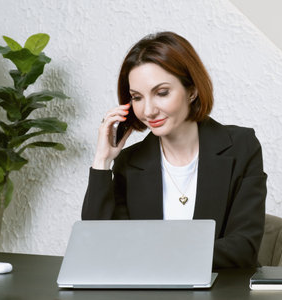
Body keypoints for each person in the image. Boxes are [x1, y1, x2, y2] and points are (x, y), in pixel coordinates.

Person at [82, 31, 267, 268]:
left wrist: (152, 254)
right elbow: (97, 245)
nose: (148, 111)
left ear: (192, 90)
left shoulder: (242, 146)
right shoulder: (130, 162)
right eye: (137, 97)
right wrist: (102, 160)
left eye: (161, 93)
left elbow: (243, 249)